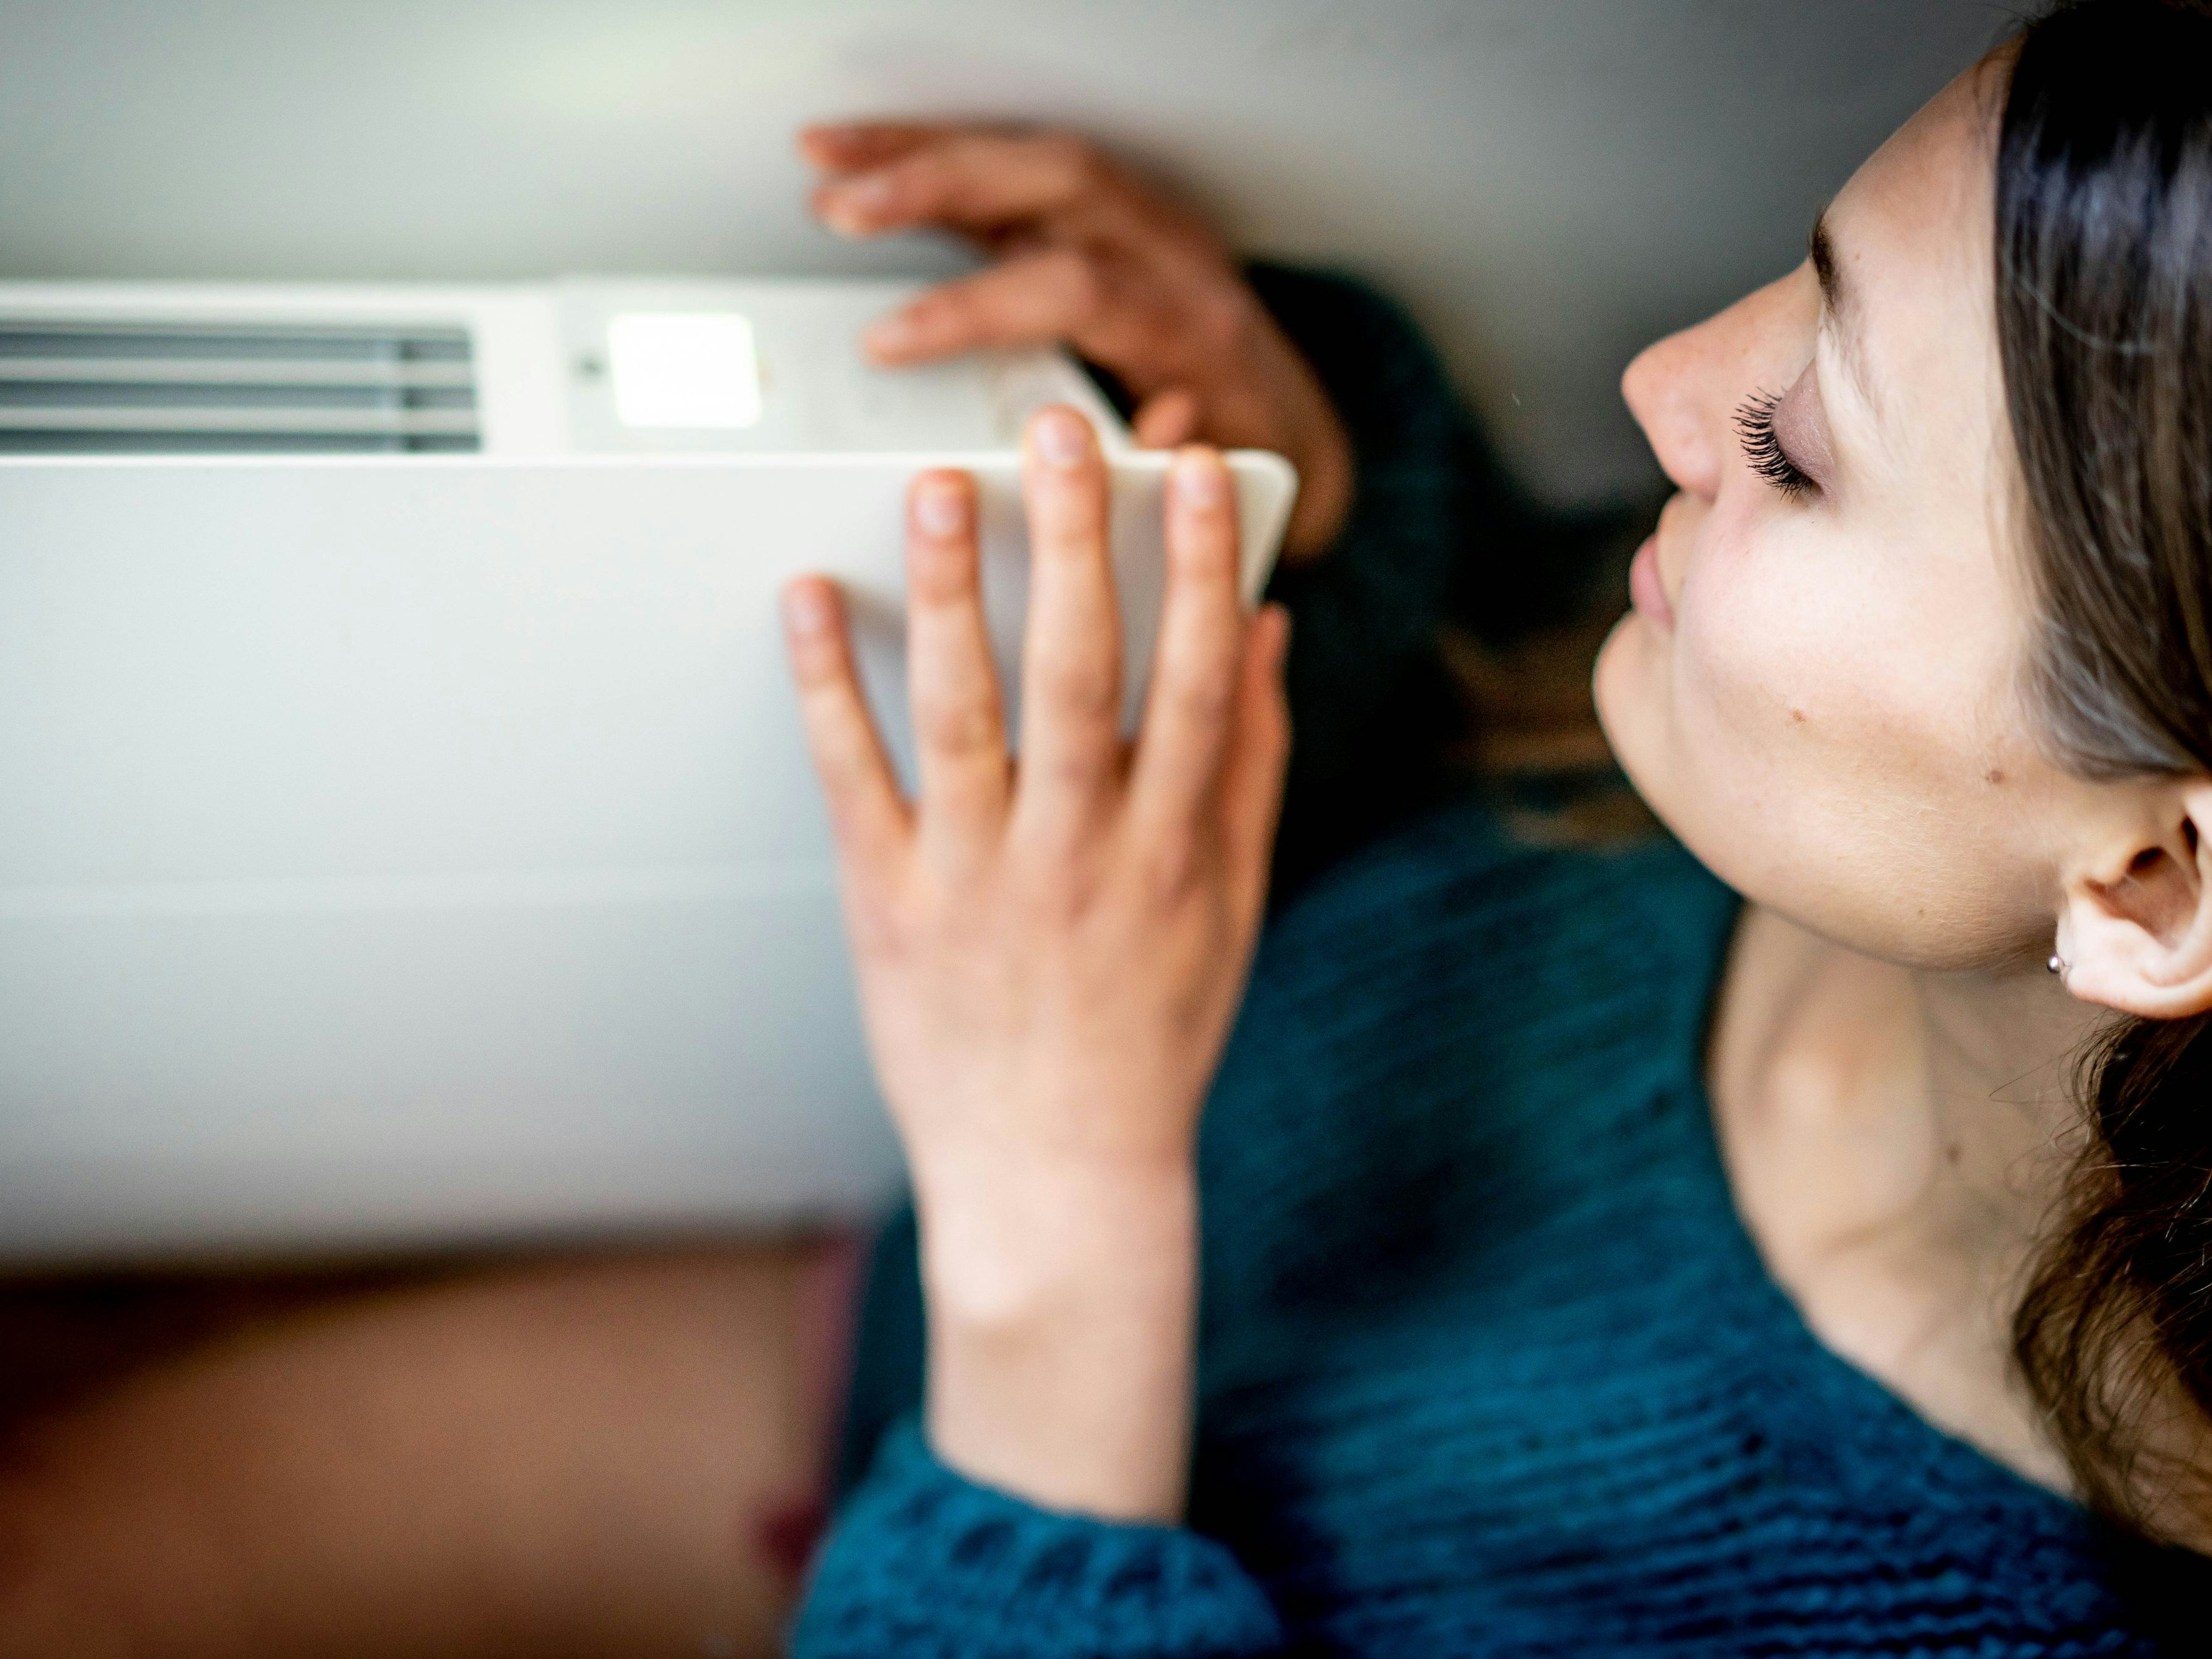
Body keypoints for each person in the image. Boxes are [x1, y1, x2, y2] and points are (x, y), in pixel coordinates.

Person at [2, 1, 2208, 1652]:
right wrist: (1296, 526)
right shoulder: (1795, 796)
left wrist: (1055, 1257)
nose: (1657, 379)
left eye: (1804, 444)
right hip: (879, 1356)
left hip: (1012, 1418)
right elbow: (1500, 710)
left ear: (2157, 880)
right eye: (1794, 279)